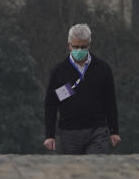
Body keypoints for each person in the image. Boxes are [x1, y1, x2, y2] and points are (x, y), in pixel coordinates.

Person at [43, 23, 121, 154]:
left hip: (97, 131)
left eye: (83, 47)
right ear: (69, 45)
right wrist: (49, 135)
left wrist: (114, 131)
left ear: (89, 45)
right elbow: (51, 104)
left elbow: (110, 101)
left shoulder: (102, 69)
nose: (79, 50)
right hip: (69, 133)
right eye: (76, 46)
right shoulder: (59, 71)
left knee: (96, 167)